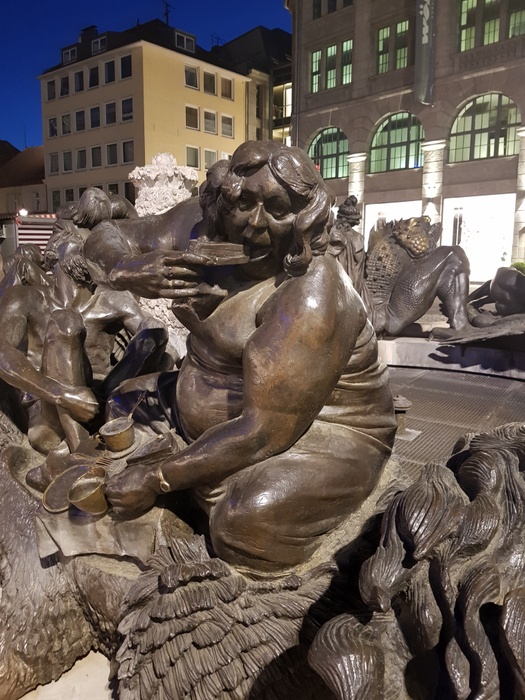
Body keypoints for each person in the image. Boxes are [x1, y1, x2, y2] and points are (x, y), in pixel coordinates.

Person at [103, 141, 397, 575]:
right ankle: (189, 485)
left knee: (243, 524)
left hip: (322, 432)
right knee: (120, 402)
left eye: (278, 210)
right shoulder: (200, 228)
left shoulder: (310, 291)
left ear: (304, 218)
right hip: (207, 408)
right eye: (244, 204)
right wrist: (126, 267)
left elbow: (263, 432)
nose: (256, 224)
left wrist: (157, 477)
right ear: (224, 201)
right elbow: (106, 236)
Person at [0, 225, 170, 458]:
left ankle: (103, 422)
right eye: (78, 239)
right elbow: (3, 352)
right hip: (49, 416)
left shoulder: (113, 300)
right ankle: (81, 451)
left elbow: (154, 335)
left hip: (104, 406)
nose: (89, 247)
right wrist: (63, 395)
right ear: (53, 252)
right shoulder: (25, 298)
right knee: (66, 322)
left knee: (155, 333)